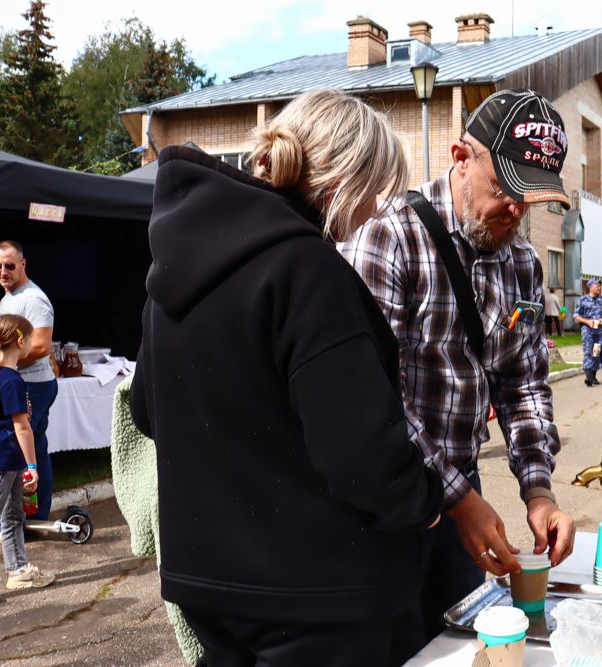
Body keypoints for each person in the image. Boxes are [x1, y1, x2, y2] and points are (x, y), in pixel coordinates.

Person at [129, 90, 444, 666]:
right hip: (319, 597)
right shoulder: (308, 271)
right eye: (375, 190)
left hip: (208, 585)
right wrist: (423, 504)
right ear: (342, 181)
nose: (375, 211)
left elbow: (147, 411)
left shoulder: (170, 274)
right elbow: (361, 451)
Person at [343, 88, 576, 655]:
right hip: (388, 500)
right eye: (504, 190)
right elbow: (369, 396)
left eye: (531, 200)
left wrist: (538, 491)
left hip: (459, 488)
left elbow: (523, 385)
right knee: (395, 647)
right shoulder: (391, 235)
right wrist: (459, 500)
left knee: (463, 646)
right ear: (460, 157)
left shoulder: (520, 260)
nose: (516, 212)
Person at [0, 314, 56, 607]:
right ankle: (15, 570)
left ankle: (18, 570)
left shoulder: (1, 375)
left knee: (12, 517)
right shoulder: (11, 381)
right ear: (21, 341)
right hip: (1, 463)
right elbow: (22, 427)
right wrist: (33, 466)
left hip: (6, 460)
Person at [0, 241, 57, 521]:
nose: (3, 271)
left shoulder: (34, 299)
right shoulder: (8, 298)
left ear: (23, 264)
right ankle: (35, 514)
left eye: (9, 265)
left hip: (34, 384)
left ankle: (18, 515)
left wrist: (1, 362)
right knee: (36, 446)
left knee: (19, 445)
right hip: (25, 381)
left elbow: (42, 346)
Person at [574, 279, 602, 386]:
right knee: (588, 351)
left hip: (599, 330)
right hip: (587, 329)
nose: (599, 288)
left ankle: (593, 376)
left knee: (596, 352)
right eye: (597, 286)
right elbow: (576, 316)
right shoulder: (582, 300)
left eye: (600, 286)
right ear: (590, 287)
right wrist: (587, 321)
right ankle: (589, 376)